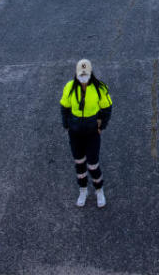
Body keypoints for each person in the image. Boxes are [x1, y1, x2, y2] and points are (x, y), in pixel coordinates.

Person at [60, 59, 112, 208]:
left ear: (90, 73)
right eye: (80, 74)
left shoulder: (99, 88)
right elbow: (64, 107)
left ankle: (99, 190)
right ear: (76, 74)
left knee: (93, 164)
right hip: (75, 134)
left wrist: (102, 125)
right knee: (79, 164)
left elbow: (107, 108)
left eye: (85, 74)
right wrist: (66, 126)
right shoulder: (69, 87)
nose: (83, 77)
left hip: (91, 133)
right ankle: (83, 190)